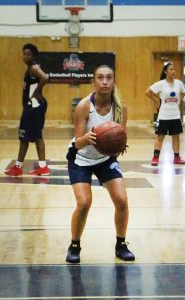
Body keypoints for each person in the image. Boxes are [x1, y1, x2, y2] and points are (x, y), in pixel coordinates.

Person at [65, 65, 135, 263]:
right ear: (93, 82)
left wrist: (120, 144)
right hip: (80, 158)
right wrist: (89, 137)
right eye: (100, 78)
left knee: (121, 200)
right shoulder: (84, 106)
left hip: (105, 158)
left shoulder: (121, 107)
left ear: (113, 81)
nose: (105, 81)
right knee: (84, 202)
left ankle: (121, 245)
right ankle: (74, 245)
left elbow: (121, 136)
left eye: (109, 78)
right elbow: (78, 142)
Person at [5, 43, 50, 176]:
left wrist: (37, 91)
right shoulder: (30, 68)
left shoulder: (34, 68)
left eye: (28, 54)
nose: (25, 56)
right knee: (31, 136)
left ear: (34, 56)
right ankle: (34, 166)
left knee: (30, 137)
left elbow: (45, 77)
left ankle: (29, 167)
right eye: (23, 54)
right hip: (33, 106)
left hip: (34, 107)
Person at [145, 62, 185, 166]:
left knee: (176, 137)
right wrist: (156, 100)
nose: (173, 71)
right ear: (165, 72)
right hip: (163, 115)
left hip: (175, 115)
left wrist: (179, 101)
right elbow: (147, 92)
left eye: (174, 69)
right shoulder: (161, 83)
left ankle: (177, 157)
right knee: (160, 137)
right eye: (171, 69)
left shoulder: (179, 83)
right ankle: (155, 157)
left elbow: (183, 92)